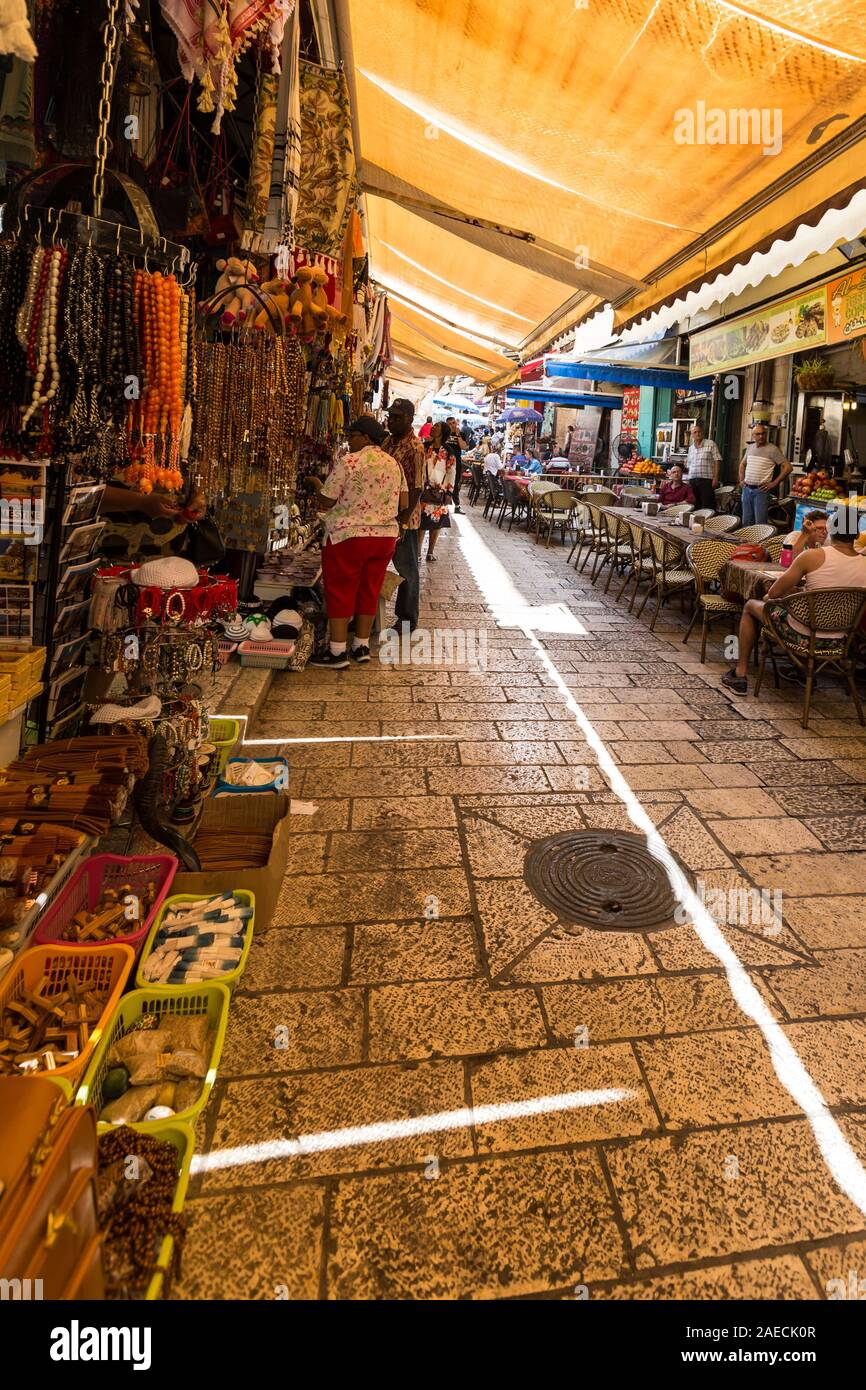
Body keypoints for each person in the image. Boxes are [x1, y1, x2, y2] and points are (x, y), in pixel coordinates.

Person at [721, 505, 866, 695]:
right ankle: (800, 671)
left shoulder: (812, 556)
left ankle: (740, 675)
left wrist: (791, 592)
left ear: (831, 531)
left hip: (802, 635)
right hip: (841, 640)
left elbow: (774, 593)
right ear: (856, 536)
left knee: (750, 606)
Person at [309, 416, 407, 668]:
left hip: (349, 536)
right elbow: (404, 502)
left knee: (340, 589)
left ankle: (338, 652)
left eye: (352, 436)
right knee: (369, 589)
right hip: (384, 538)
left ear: (365, 437)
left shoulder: (349, 461)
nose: (349, 441)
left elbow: (327, 500)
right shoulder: (393, 463)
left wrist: (316, 485)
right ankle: (361, 646)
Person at [384, 397, 426, 633]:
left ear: (409, 419)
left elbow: (418, 486)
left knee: (406, 568)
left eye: (397, 417)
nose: (391, 421)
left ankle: (407, 619)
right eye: (391, 416)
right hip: (385, 514)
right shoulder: (389, 442)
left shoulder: (415, 448)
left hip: (404, 519)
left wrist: (403, 519)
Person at [99, 480, 206, 562]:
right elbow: (88, 494)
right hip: (109, 545)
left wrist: (198, 496)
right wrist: (141, 502)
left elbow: (200, 469)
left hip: (168, 552)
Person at [738, 423, 792, 527]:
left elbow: (788, 467)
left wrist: (774, 483)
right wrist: (741, 480)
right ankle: (746, 543)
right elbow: (742, 464)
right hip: (747, 489)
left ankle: (760, 544)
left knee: (761, 525)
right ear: (753, 435)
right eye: (758, 434)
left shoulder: (773, 449)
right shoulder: (750, 448)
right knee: (746, 522)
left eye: (763, 434)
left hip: (761, 491)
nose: (761, 436)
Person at [420, 443, 455, 562]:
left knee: (437, 523)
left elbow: (451, 472)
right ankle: (418, 552)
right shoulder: (426, 447)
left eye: (437, 427)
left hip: (440, 492)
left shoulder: (448, 451)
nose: (433, 428)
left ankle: (430, 552)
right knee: (422, 523)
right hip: (425, 490)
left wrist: (449, 492)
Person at [685, 424, 722, 511]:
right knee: (694, 505)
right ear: (692, 435)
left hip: (706, 480)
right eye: (695, 432)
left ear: (703, 433)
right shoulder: (691, 448)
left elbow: (717, 460)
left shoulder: (710, 444)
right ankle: (695, 524)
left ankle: (708, 524)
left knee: (707, 506)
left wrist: (715, 478)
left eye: (699, 432)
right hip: (693, 480)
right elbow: (689, 465)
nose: (697, 434)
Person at [445, 416, 468, 513]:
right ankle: (443, 504)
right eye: (449, 424)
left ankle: (457, 505)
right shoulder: (444, 434)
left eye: (453, 423)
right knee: (444, 482)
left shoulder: (461, 434)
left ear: (456, 423)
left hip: (456, 462)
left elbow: (464, 447)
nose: (452, 425)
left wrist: (458, 435)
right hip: (444, 462)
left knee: (456, 483)